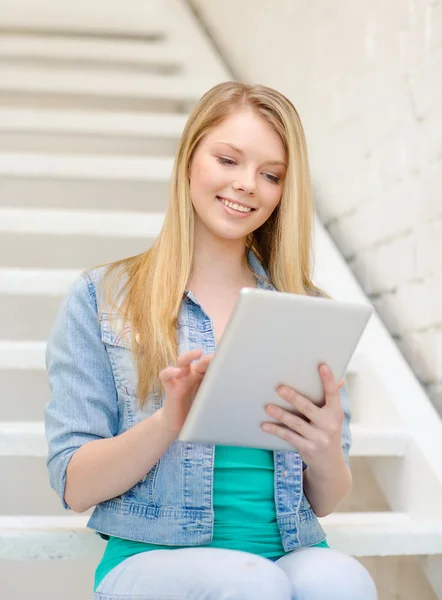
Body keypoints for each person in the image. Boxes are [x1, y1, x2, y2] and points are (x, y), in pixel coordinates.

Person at [45, 80, 377, 599]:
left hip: (287, 548)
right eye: (228, 160)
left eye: (271, 175)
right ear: (190, 160)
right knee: (254, 586)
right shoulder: (101, 297)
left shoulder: (308, 310)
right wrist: (168, 422)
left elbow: (327, 499)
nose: (248, 184)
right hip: (152, 557)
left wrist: (326, 450)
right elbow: (75, 486)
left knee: (345, 582)